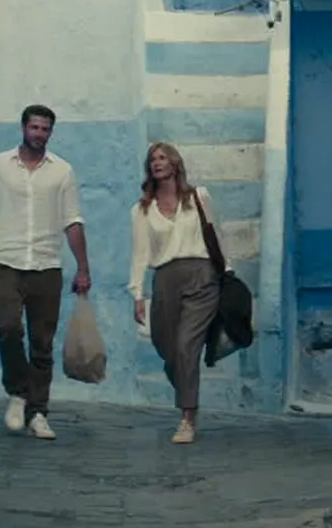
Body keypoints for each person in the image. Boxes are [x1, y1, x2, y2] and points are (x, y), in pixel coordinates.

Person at [0, 104, 92, 441]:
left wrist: (82, 267)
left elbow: (73, 221)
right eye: (34, 127)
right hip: (7, 260)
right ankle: (18, 392)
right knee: (7, 327)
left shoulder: (62, 171)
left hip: (47, 264)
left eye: (45, 129)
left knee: (42, 342)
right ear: (23, 127)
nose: (39, 133)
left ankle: (38, 413)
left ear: (51, 132)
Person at [127, 142, 222, 445]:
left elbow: (216, 236)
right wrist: (137, 294)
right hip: (165, 279)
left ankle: (187, 418)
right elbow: (140, 254)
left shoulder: (198, 197)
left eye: (163, 157)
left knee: (185, 346)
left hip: (201, 276)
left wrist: (227, 274)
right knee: (167, 347)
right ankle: (185, 386)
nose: (157, 163)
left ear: (174, 163)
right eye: (152, 159)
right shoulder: (142, 208)